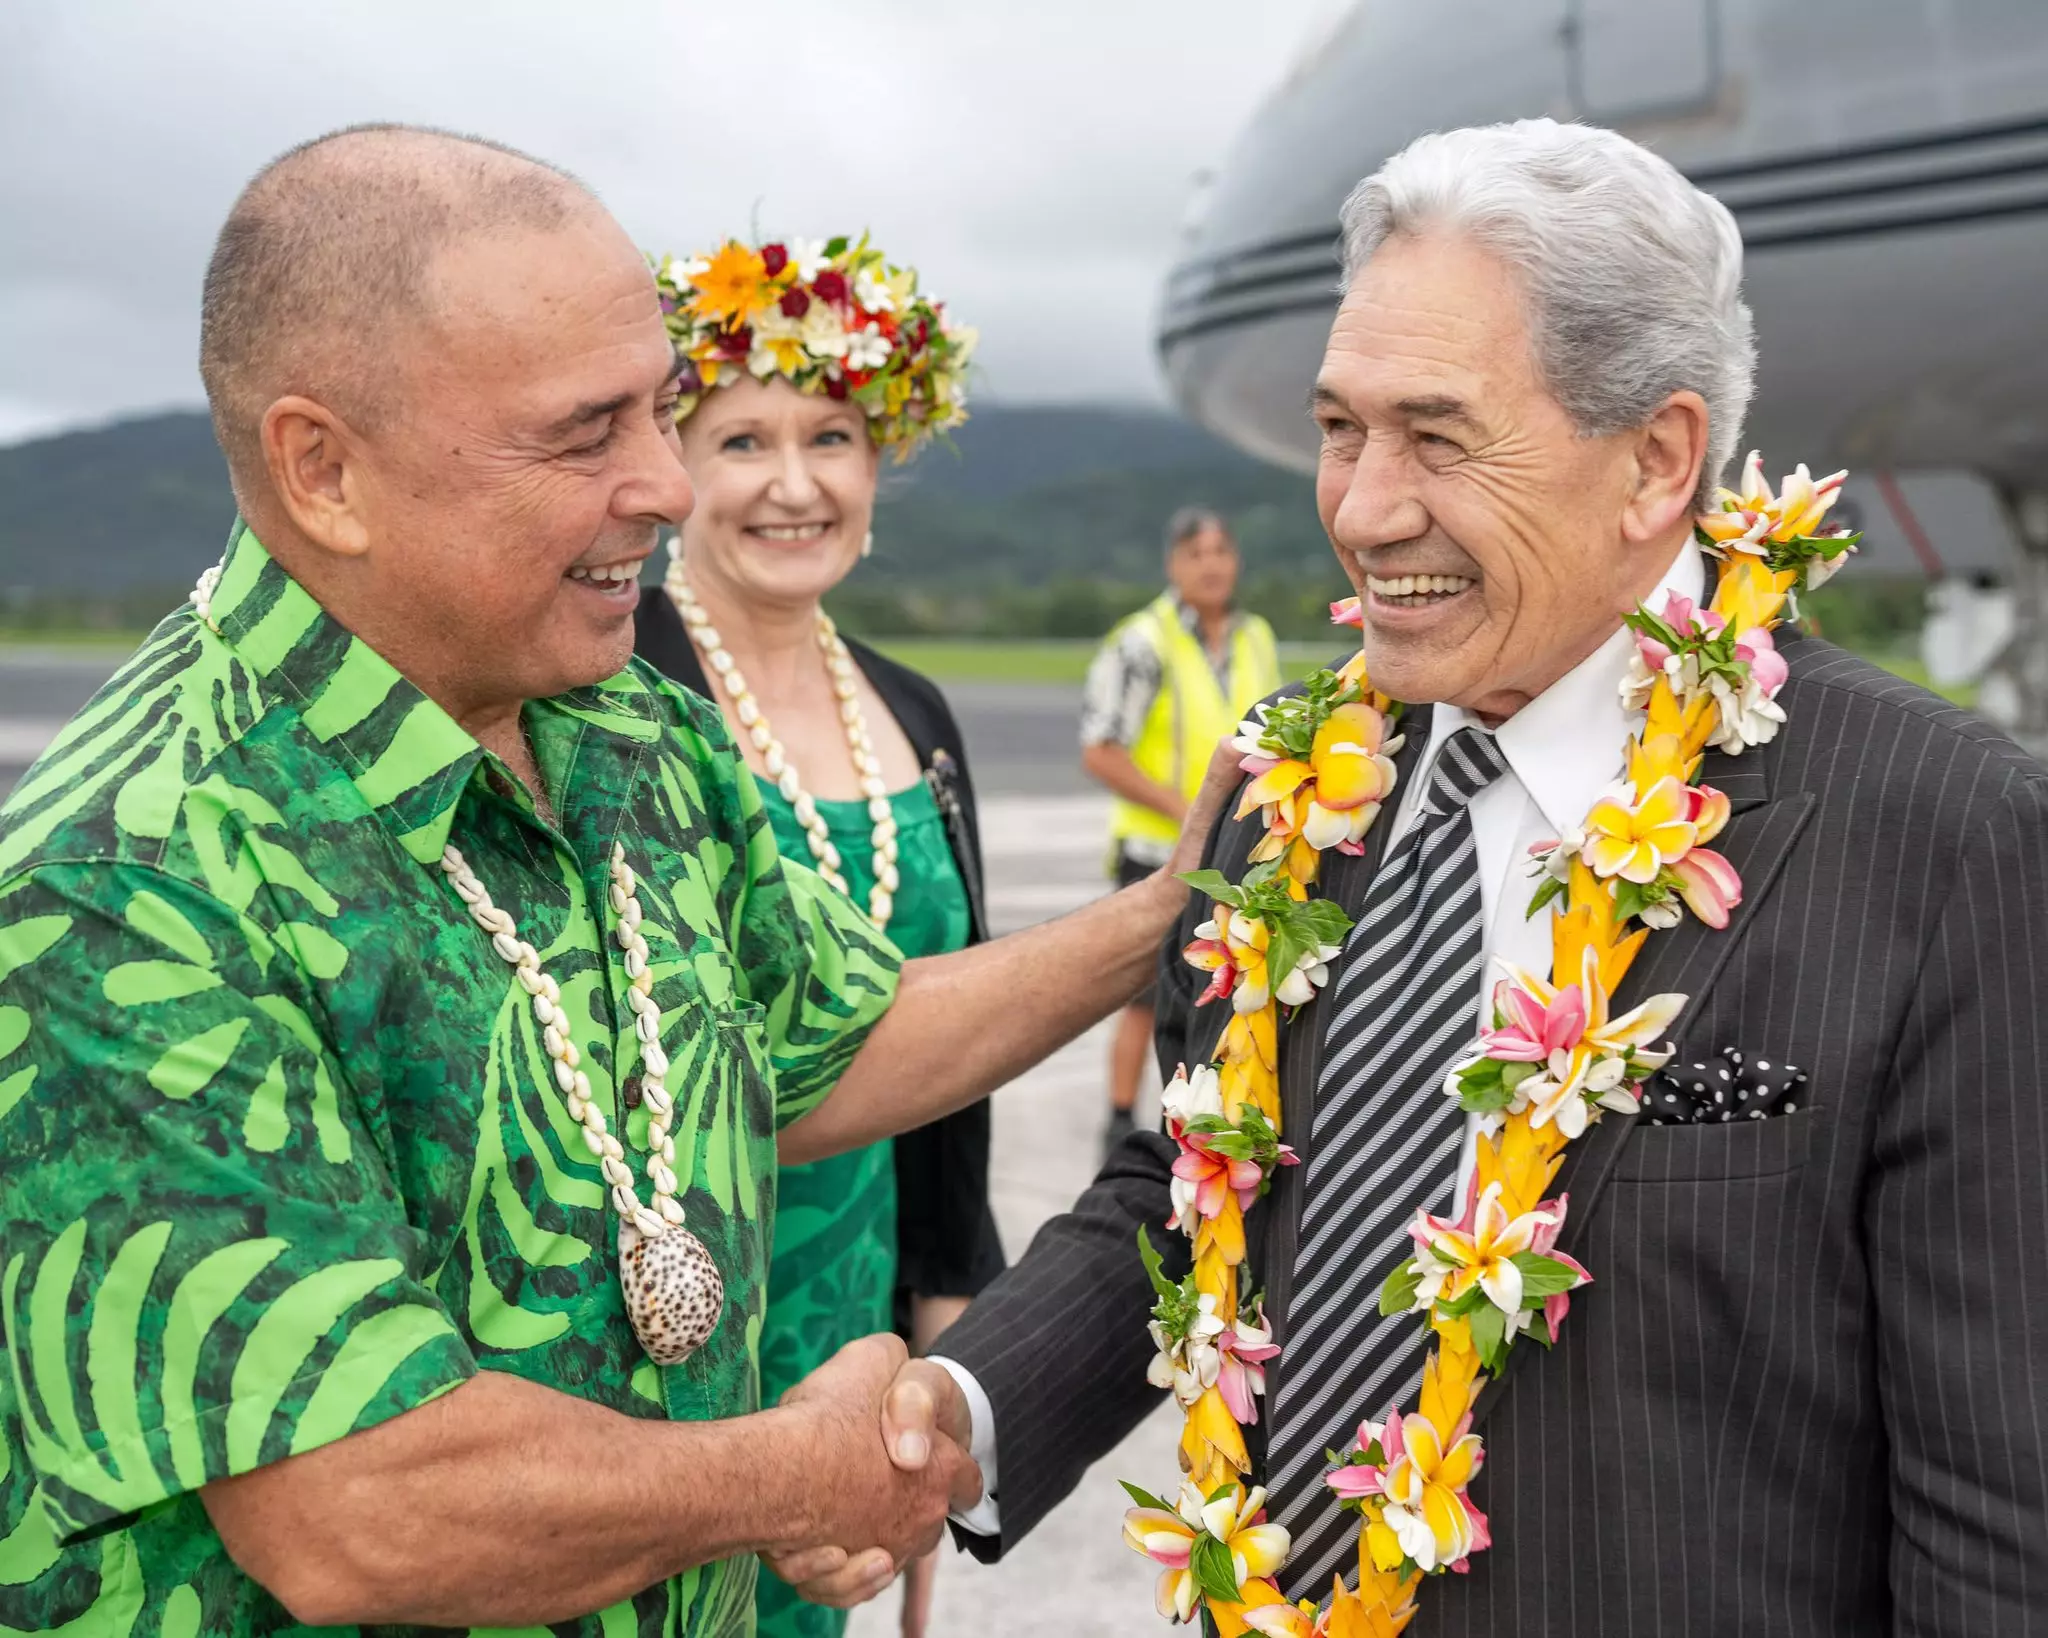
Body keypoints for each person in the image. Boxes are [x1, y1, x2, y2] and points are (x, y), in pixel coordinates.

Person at [0, 125, 1233, 1637]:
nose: (663, 483)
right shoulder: (123, 875)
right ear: (324, 469)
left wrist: (1167, 912)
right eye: (587, 432)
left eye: (658, 408)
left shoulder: (614, 715)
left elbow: (821, 1037)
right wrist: (791, 1474)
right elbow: (361, 1508)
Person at [843, 119, 2048, 1634]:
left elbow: (2004, 1518)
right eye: (1342, 428)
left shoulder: (1946, 835)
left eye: (1439, 434)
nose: (1358, 509)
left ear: (1658, 460)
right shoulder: (1295, 790)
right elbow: (1199, 1178)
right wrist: (965, 1407)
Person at [630, 232, 1002, 1638]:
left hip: (854, 1300)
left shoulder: (918, 712)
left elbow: (961, 1037)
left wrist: (944, 1325)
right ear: (671, 461)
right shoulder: (614, 693)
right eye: (741, 440)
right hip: (670, 1318)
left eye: (831, 435)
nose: (795, 484)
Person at [1079, 508, 1279, 1150]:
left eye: (1222, 550)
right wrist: (1188, 810)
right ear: (1173, 565)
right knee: (1145, 992)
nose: (1212, 564)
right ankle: (1117, 1121)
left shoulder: (1255, 637)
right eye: (1197, 553)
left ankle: (1209, 1117)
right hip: (1156, 850)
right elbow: (1102, 749)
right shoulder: (1142, 642)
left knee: (1223, 985)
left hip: (1237, 848)